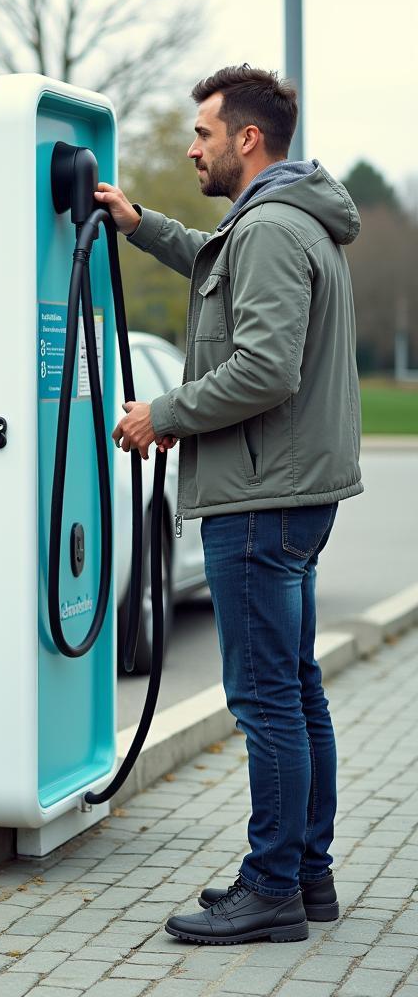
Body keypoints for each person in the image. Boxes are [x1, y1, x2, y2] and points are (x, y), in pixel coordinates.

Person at [99, 64, 363, 944]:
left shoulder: (273, 232)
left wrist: (163, 414)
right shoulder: (279, 223)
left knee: (264, 698)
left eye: (204, 133)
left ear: (248, 138)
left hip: (260, 496)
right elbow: (219, 266)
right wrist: (142, 228)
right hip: (283, 489)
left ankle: (273, 886)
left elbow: (264, 368)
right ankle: (306, 875)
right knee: (295, 688)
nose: (192, 146)